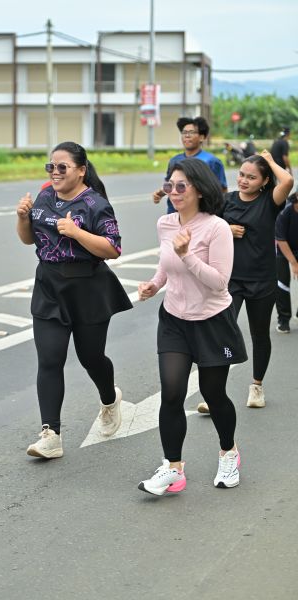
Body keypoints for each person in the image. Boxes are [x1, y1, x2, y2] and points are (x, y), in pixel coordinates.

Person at [138, 158, 247, 496]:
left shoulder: (216, 228)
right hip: (174, 320)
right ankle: (173, 468)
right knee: (171, 393)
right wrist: (155, 284)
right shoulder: (165, 223)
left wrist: (188, 255)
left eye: (181, 186)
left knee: (213, 394)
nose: (173, 192)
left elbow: (220, 282)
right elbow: (165, 265)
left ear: (199, 190)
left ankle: (228, 453)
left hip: (212, 321)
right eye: (168, 185)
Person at [16, 141, 133, 459]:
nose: (54, 172)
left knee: (91, 357)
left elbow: (113, 248)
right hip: (49, 287)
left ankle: (109, 398)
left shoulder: (95, 204)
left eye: (62, 167)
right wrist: (23, 218)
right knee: (49, 359)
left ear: (81, 170)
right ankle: (50, 434)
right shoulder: (44, 197)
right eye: (50, 167)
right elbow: (28, 239)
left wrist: (76, 232)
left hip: (87, 289)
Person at [197, 151, 293, 414]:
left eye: (251, 177)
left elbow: (287, 181)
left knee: (259, 334)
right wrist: (226, 230)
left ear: (264, 181)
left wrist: (270, 161)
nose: (243, 180)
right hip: (231, 280)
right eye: (241, 175)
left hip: (263, 280)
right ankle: (215, 394)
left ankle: (257, 386)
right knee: (223, 333)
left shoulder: (270, 201)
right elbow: (204, 228)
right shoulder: (226, 201)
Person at [152, 116, 228, 214]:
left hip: (200, 215)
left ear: (202, 137)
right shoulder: (174, 161)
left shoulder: (212, 161)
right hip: (175, 213)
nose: (187, 136)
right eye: (184, 132)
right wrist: (161, 192)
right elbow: (171, 185)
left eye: (191, 132)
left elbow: (222, 192)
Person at [274, 186, 298, 333]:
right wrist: (294, 263)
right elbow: (281, 239)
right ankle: (283, 320)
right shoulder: (285, 211)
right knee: (282, 283)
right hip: (282, 248)